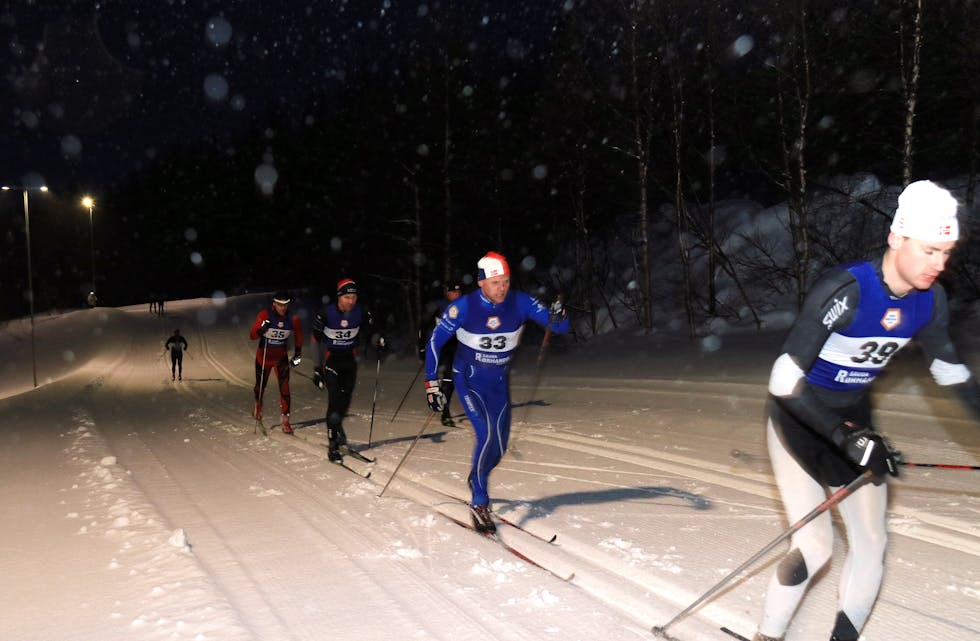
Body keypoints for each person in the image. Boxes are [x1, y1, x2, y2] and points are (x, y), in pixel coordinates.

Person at [753, 180, 980, 641]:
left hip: (855, 421)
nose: (939, 264)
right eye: (929, 250)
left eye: (946, 253)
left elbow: (950, 371)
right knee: (815, 546)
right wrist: (844, 437)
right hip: (799, 421)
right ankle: (768, 636)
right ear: (897, 238)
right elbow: (784, 380)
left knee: (872, 543)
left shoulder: (930, 300)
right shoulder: (847, 289)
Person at [423, 251, 570, 533]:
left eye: (505, 281)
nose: (502, 288)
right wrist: (432, 383)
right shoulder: (462, 308)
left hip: (498, 383)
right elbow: (434, 342)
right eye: (495, 282)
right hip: (468, 378)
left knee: (499, 447)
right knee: (486, 435)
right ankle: (479, 501)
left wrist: (559, 314)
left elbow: (560, 327)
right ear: (481, 283)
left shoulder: (521, 302)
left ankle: (476, 477)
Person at [311, 278, 382, 461]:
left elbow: (371, 332)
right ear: (339, 297)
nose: (351, 301)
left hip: (349, 360)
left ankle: (337, 427)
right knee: (334, 399)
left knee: (345, 401)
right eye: (348, 297)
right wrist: (317, 368)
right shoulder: (326, 314)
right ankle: (333, 443)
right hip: (331, 360)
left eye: (354, 297)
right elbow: (315, 341)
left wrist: (378, 341)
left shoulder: (360, 312)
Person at [250, 291, 303, 434]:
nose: (283, 308)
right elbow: (252, 335)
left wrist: (298, 354)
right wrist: (262, 330)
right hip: (264, 356)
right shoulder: (265, 315)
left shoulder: (293, 318)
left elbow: (299, 336)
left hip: (281, 357)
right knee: (260, 386)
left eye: (285, 305)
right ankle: (258, 406)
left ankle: (286, 420)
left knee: (285, 389)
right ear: (274, 304)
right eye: (280, 305)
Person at [419, 280, 464, 427]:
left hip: (454, 346)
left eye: (458, 292)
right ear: (447, 293)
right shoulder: (438, 306)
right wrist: (421, 347)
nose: (456, 295)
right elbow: (423, 325)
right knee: (440, 376)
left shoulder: (464, 306)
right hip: (439, 345)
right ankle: (436, 397)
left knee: (451, 378)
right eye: (453, 292)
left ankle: (445, 411)